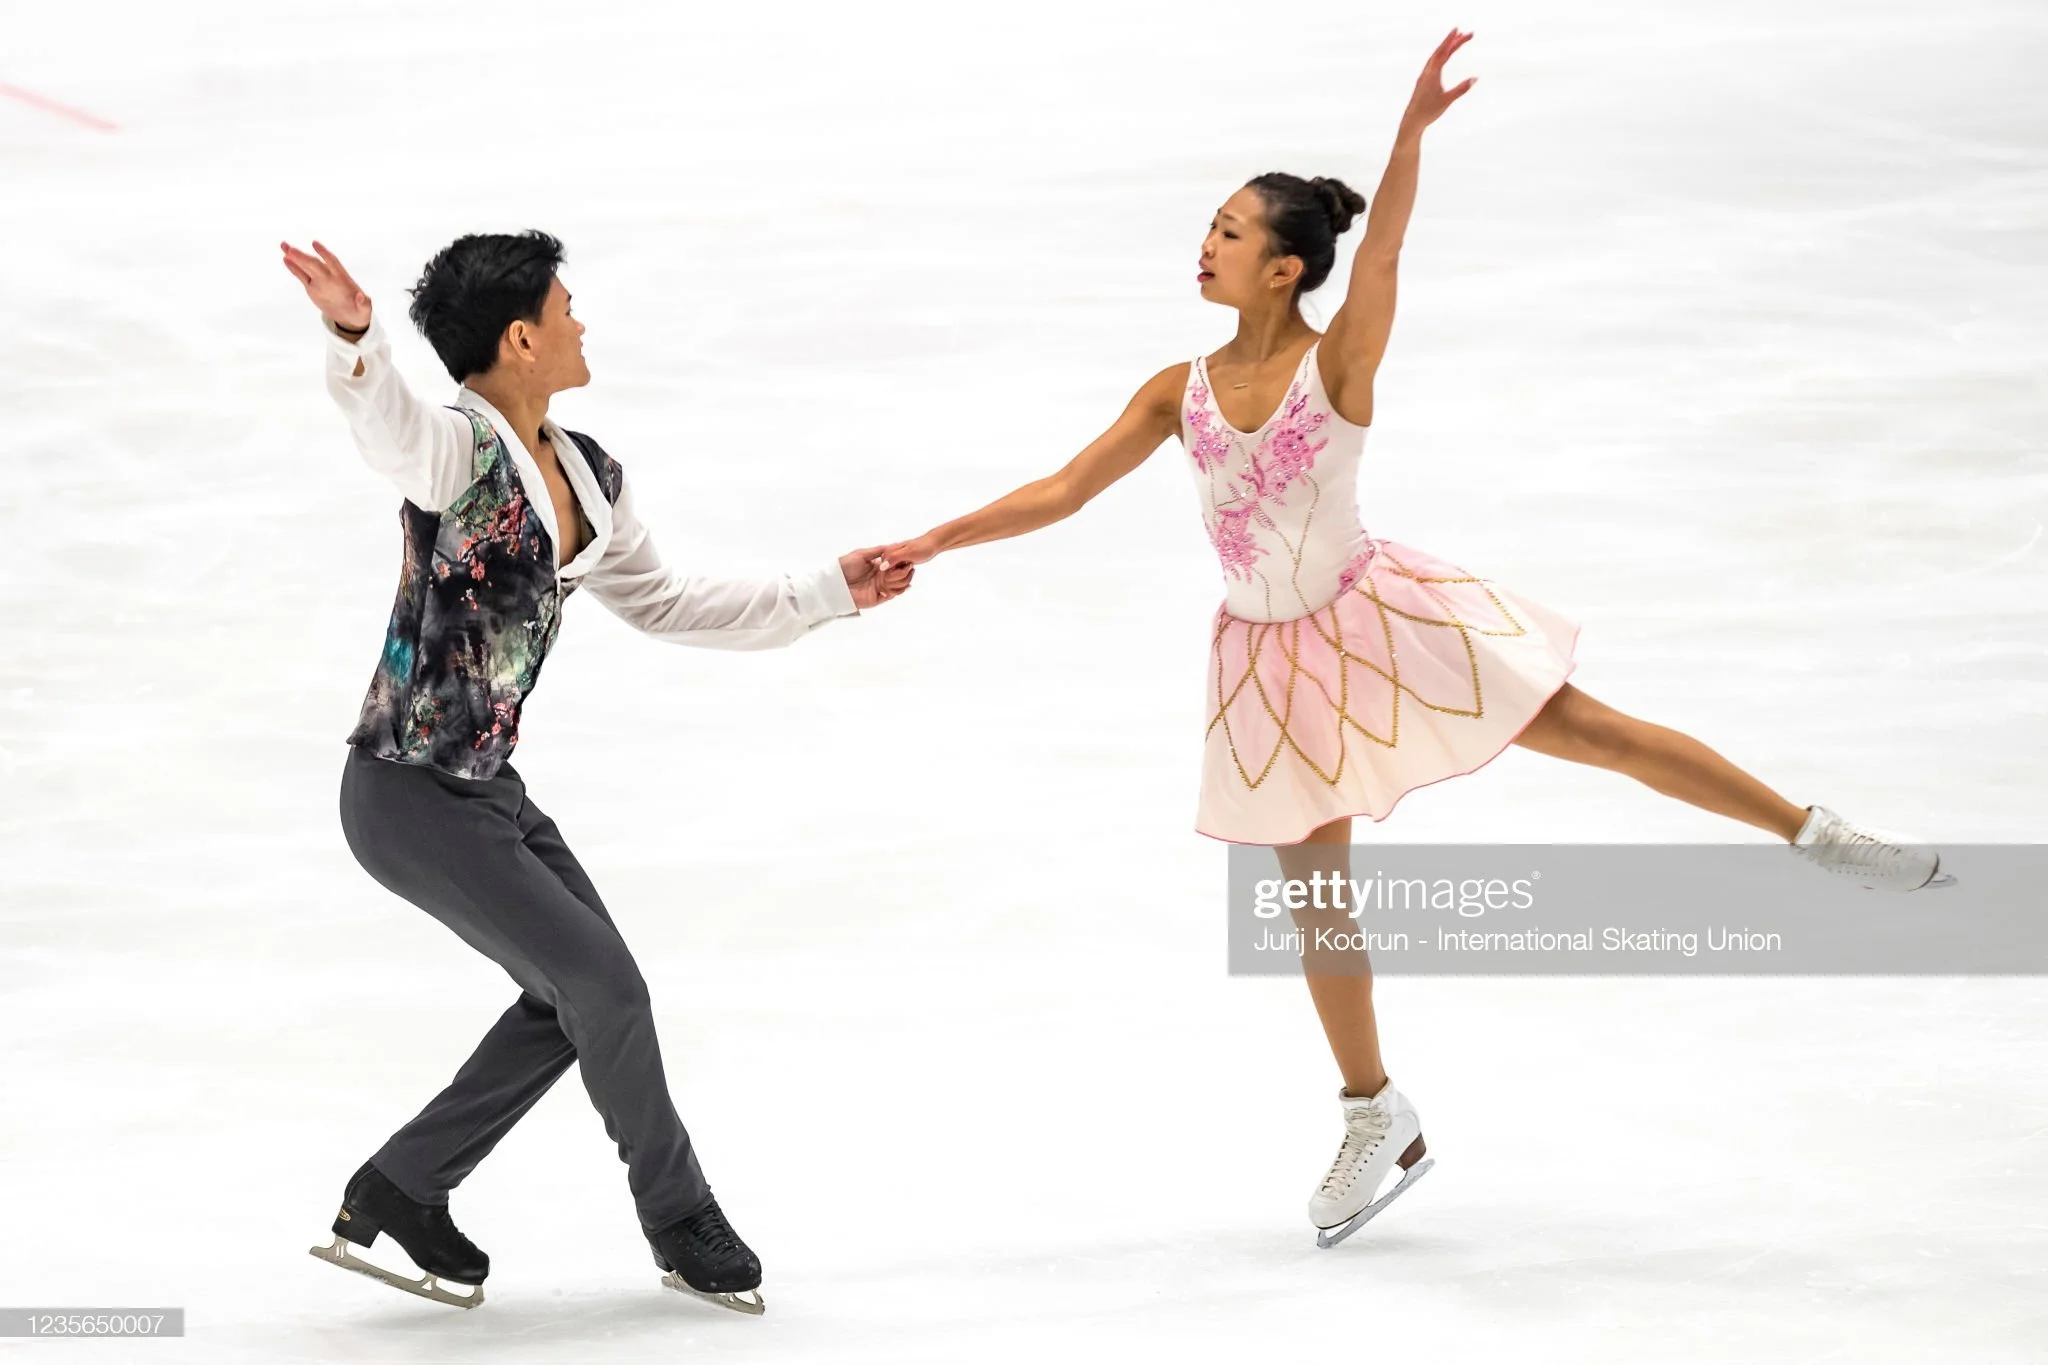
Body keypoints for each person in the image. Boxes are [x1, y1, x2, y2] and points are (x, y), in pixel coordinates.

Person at [879, 29, 1951, 1246]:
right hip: (1267, 663)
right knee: (1315, 903)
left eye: (1231, 231)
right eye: (1212, 225)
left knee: (1591, 731)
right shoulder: (1169, 391)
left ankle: (1808, 833)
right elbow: (1062, 491)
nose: (1207, 242)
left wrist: (1405, 139)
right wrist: (933, 537)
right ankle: (1371, 1111)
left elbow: (1380, 250)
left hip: (1379, 621)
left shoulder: (1335, 366)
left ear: (1284, 270)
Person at [281, 231, 912, 1314]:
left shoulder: (588, 472)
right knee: (606, 989)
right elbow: (384, 426)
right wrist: (355, 336)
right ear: (519, 337)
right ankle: (678, 1217)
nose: (581, 323)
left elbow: (667, 603)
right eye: (565, 308)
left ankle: (400, 1187)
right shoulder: (457, 452)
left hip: (486, 793)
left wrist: (826, 590)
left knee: (575, 999)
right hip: (404, 793)